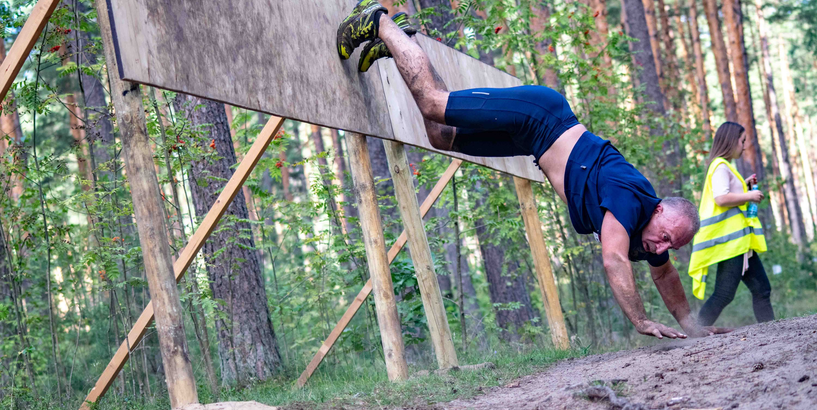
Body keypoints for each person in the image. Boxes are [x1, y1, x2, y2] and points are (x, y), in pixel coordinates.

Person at [337, 0, 730, 339]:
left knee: (441, 135)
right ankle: (378, 20)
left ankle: (401, 40)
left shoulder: (651, 232)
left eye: (670, 246)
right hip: (540, 116)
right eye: (664, 238)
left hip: (534, 141)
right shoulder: (630, 203)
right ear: (658, 209)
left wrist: (689, 324)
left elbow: (665, 276)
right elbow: (613, 259)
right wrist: (641, 320)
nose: (660, 249)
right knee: (434, 105)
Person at [688, 122, 774, 326]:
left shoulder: (723, 166)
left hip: (739, 243)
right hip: (732, 244)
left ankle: (772, 333)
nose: (744, 146)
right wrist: (749, 195)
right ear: (731, 140)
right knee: (724, 295)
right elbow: (721, 198)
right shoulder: (720, 166)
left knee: (762, 289)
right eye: (742, 141)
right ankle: (695, 333)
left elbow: (725, 193)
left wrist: (743, 185)